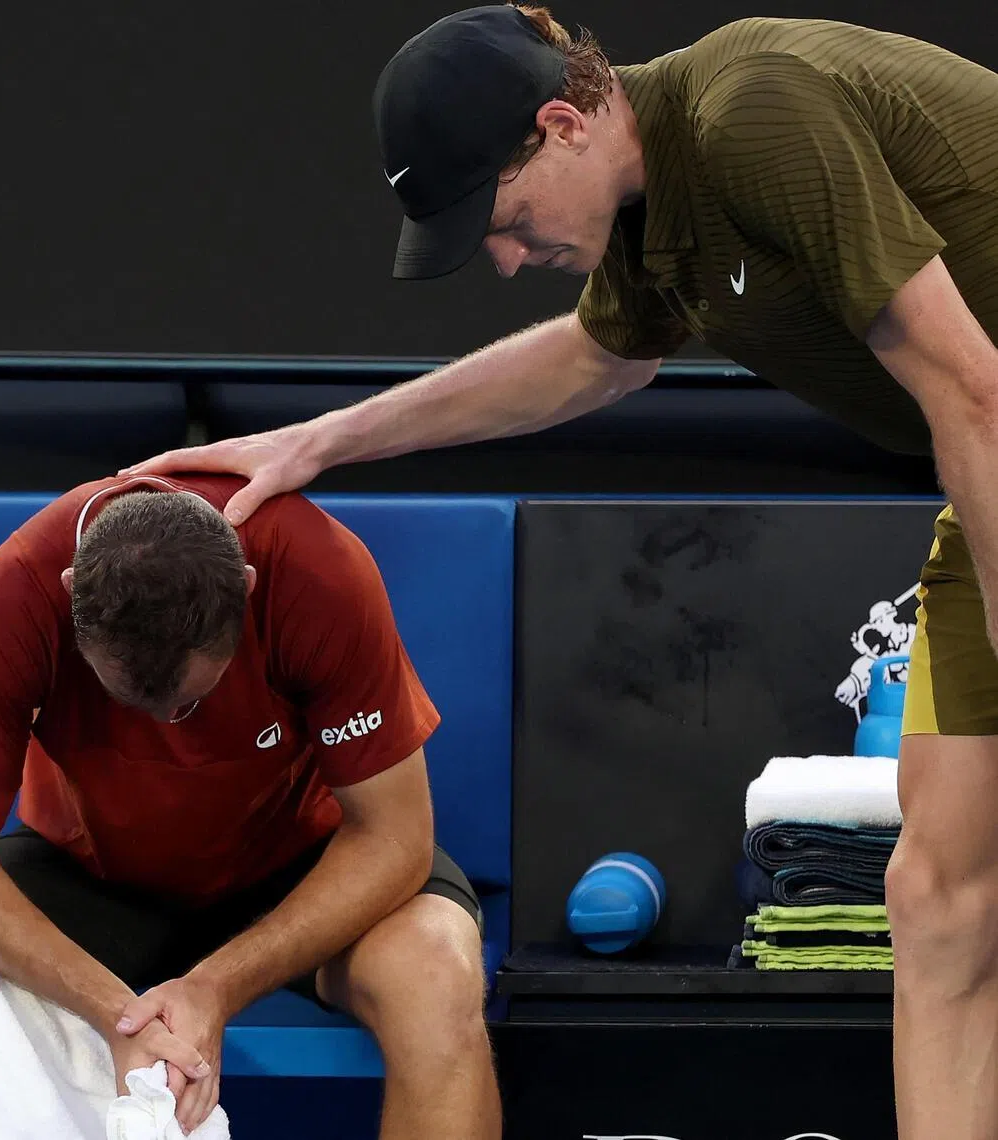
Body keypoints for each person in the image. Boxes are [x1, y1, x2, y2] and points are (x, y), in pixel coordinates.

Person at [127, 6, 998, 1136]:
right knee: (935, 899)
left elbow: (971, 389)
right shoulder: (656, 211)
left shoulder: (757, 117)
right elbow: (589, 363)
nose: (502, 259)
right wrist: (318, 442)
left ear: (560, 127)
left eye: (505, 218)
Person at [0, 472, 499, 1140]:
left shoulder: (319, 572)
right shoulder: (14, 593)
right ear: (70, 593)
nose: (170, 723)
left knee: (436, 972)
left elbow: (396, 837)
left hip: (303, 868)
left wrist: (215, 987)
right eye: (135, 701)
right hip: (94, 876)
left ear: (247, 591)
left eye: (191, 699)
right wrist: (115, 1014)